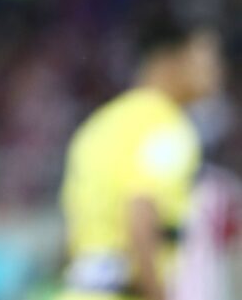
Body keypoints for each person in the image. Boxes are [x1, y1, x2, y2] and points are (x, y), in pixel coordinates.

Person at [57, 17, 223, 300]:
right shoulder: (169, 127)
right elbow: (140, 212)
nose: (217, 71)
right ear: (170, 61)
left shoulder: (99, 124)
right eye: (206, 58)